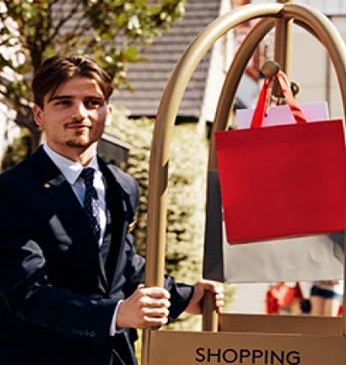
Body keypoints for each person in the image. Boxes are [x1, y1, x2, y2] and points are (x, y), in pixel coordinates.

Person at [0, 55, 225, 365]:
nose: (80, 114)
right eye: (63, 102)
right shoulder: (11, 191)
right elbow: (28, 294)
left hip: (113, 357)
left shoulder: (122, 185)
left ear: (108, 111)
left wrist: (185, 297)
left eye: (92, 102)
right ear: (39, 114)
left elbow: (123, 264)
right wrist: (117, 314)